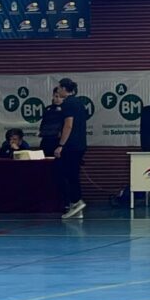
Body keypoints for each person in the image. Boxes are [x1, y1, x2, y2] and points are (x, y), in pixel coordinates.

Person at [54, 78, 87, 219]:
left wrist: (61, 145)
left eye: (59, 88)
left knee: (70, 175)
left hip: (71, 145)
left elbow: (68, 125)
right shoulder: (79, 102)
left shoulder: (68, 104)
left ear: (63, 88)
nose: (58, 91)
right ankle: (76, 210)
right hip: (80, 144)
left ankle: (76, 201)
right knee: (73, 173)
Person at [38, 87, 65, 158]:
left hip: (58, 140)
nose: (58, 99)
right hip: (46, 140)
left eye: (60, 97)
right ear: (53, 96)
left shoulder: (66, 109)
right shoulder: (47, 109)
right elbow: (43, 123)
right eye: (56, 96)